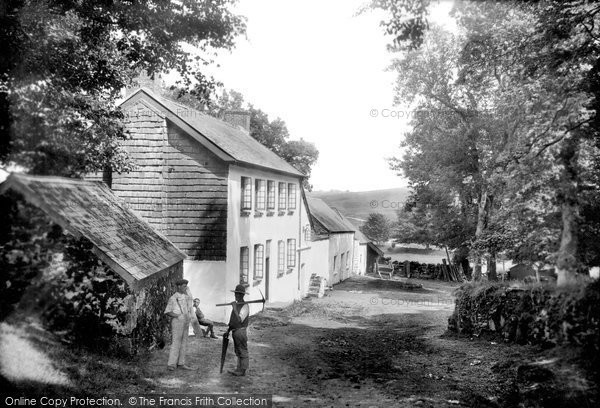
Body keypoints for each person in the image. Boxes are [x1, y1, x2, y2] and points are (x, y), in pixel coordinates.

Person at [164, 278, 201, 371]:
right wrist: (177, 316)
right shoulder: (173, 298)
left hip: (185, 322)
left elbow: (190, 306)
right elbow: (167, 312)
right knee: (176, 342)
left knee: (184, 343)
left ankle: (181, 363)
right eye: (184, 286)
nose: (186, 288)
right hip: (177, 322)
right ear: (179, 286)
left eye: (186, 286)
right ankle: (171, 364)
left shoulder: (186, 297)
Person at [226, 284, 250, 376]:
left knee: (242, 350)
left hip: (240, 331)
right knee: (238, 350)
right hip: (235, 331)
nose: (236, 295)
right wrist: (228, 330)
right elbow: (232, 320)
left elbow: (240, 319)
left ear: (243, 295)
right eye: (236, 293)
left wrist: (234, 308)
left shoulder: (245, 306)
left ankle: (243, 370)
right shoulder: (236, 305)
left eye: (239, 294)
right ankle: (238, 368)